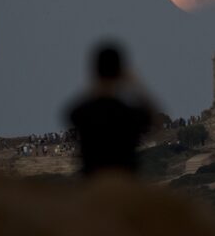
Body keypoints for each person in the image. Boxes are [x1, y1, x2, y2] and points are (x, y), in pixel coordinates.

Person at [66, 42, 156, 176]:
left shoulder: (81, 113)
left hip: (93, 185)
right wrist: (136, 84)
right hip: (124, 185)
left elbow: (74, 110)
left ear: (96, 72)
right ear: (120, 73)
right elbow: (155, 120)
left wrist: (97, 83)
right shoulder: (129, 114)